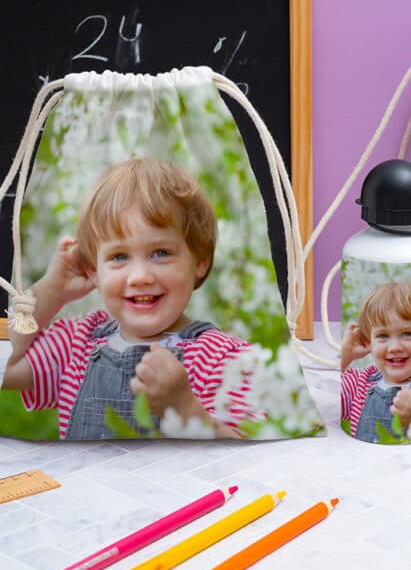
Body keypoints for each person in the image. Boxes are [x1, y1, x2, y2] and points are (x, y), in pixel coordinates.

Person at [2, 157, 254, 440]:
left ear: (200, 260)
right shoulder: (78, 343)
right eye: (119, 257)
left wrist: (186, 409)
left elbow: (247, 458)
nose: (139, 276)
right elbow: (7, 368)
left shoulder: (221, 357)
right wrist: (51, 290)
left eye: (160, 252)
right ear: (93, 271)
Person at [340, 281, 411, 443]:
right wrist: (344, 356)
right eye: (383, 336)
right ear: (368, 341)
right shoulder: (359, 383)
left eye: (407, 333)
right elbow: (324, 402)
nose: (395, 347)